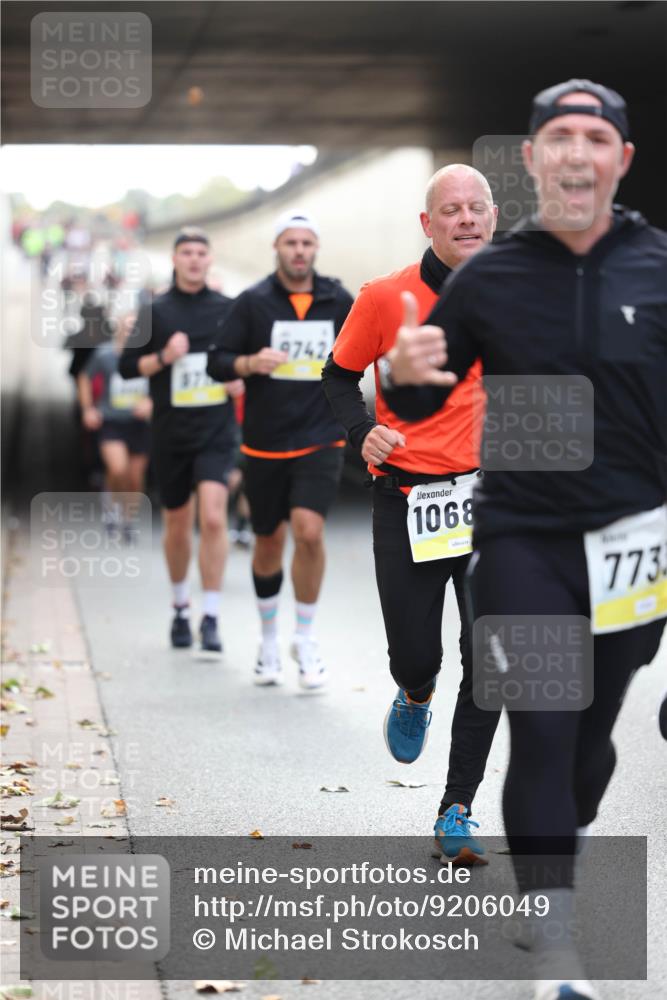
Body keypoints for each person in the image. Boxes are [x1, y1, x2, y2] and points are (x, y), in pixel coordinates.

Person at [382, 80, 667, 1000]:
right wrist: (407, 376)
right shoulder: (491, 277)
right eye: (558, 137)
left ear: (620, 158)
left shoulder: (658, 267)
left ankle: (558, 854)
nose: (576, 152)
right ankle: (554, 951)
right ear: (534, 159)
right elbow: (427, 396)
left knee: (588, 744)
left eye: (595, 137)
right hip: (524, 542)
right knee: (541, 734)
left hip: (631, 547)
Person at [322, 165, 500, 865]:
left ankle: (456, 807)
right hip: (407, 502)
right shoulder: (382, 296)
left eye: (476, 207)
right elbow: (337, 376)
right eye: (450, 209)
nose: (465, 218)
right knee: (415, 654)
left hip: (494, 504)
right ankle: (414, 690)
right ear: (428, 225)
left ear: (491, 217)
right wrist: (359, 431)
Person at [207, 211, 353, 688]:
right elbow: (216, 362)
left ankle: (305, 638)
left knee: (309, 533)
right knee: (268, 540)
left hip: (320, 435)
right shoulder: (253, 303)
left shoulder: (337, 298)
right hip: (266, 441)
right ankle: (269, 641)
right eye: (290, 242)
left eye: (306, 242)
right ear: (277, 248)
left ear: (315, 249)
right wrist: (248, 361)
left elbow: (372, 345)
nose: (298, 250)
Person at [119, 228, 243, 656]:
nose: (193, 259)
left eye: (200, 252)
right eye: (186, 252)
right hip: (171, 433)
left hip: (216, 431)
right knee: (177, 523)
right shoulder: (154, 310)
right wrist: (164, 358)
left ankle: (210, 615)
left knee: (212, 517)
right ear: (174, 259)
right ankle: (179, 606)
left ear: (210, 260)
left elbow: (242, 363)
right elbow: (127, 367)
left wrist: (237, 379)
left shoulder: (230, 309)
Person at [77, 312, 152, 537]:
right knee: (118, 468)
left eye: (135, 327)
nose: (130, 331)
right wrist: (88, 408)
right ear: (118, 328)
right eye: (127, 326)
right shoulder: (105, 354)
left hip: (139, 424)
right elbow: (84, 378)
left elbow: (163, 382)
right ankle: (111, 504)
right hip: (111, 421)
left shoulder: (148, 356)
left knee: (135, 477)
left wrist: (151, 402)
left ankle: (127, 521)